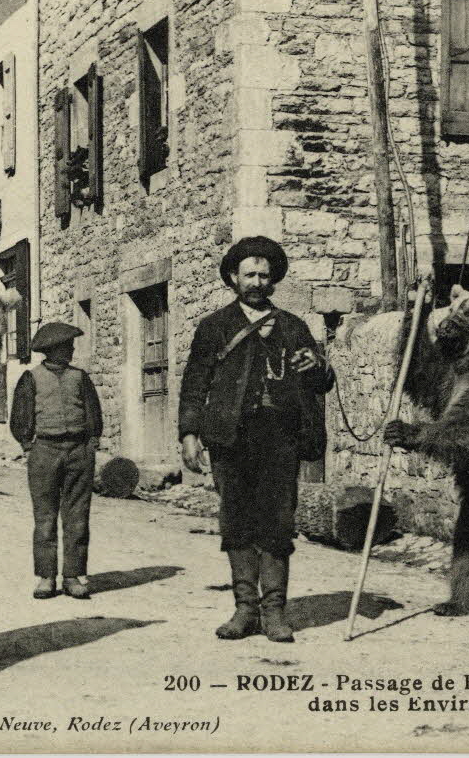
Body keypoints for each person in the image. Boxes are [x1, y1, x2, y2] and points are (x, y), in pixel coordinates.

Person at [178, 236, 334, 643]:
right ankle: (244, 610)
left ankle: (275, 613)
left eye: (265, 275)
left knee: (278, 523)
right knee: (237, 521)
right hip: (230, 438)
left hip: (281, 439)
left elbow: (321, 383)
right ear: (234, 277)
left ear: (273, 279)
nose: (258, 282)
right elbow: (195, 382)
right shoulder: (214, 327)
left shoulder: (293, 326)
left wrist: (316, 365)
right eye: (250, 274)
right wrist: (190, 433)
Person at [9, 322, 102, 600]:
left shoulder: (80, 377)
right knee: (45, 518)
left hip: (78, 451)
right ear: (52, 350)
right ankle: (46, 577)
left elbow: (93, 412)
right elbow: (20, 416)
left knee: (77, 516)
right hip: (44, 451)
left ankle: (73, 576)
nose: (72, 350)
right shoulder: (31, 378)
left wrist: (91, 443)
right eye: (67, 346)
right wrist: (28, 445)